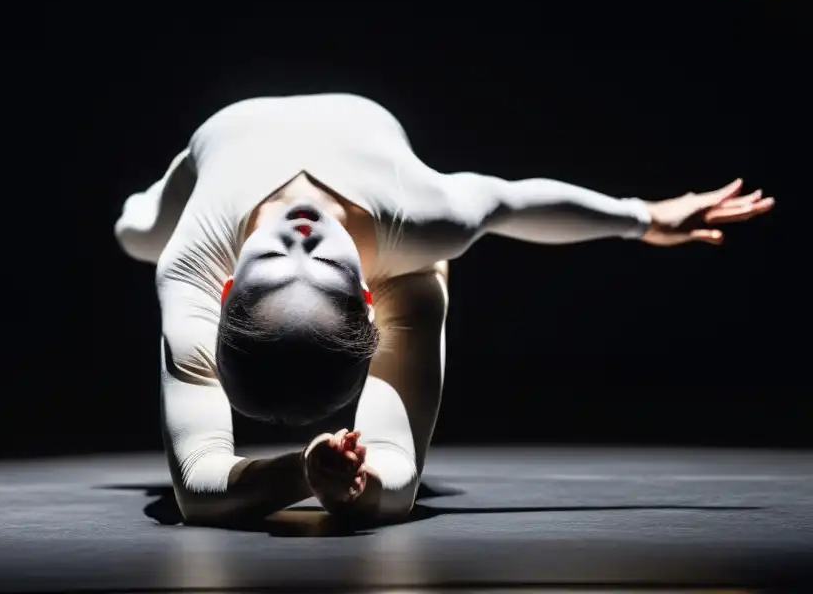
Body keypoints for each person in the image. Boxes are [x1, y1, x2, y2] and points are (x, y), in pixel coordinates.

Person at [114, 93, 774, 527]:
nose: (302, 237)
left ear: (228, 288)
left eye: (280, 261)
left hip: (240, 134)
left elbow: (201, 495)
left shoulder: (193, 268)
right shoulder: (424, 223)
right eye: (318, 266)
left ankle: (366, 481)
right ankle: (361, 481)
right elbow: (197, 485)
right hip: (254, 155)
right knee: (141, 230)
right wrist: (648, 217)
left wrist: (649, 218)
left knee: (139, 233)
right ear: (364, 296)